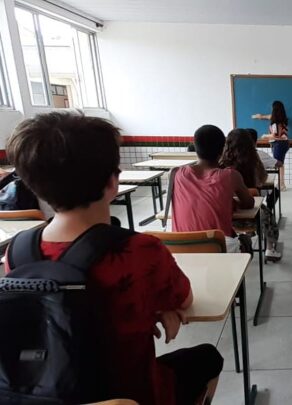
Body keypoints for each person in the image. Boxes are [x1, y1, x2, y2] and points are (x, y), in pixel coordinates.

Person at [5, 111, 223, 404]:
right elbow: (184, 299)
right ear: (113, 183)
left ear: (34, 185)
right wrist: (157, 308)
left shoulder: (17, 252)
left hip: (44, 393)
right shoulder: (138, 251)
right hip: (133, 394)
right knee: (208, 357)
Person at [172, 125, 255, 253]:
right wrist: (233, 202)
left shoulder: (179, 174)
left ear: (195, 148)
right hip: (216, 249)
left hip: (180, 249)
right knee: (246, 242)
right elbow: (249, 203)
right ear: (222, 150)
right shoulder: (230, 175)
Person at [221, 128, 281, 261]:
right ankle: (270, 248)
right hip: (251, 211)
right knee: (269, 218)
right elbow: (262, 180)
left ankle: (244, 238)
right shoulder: (254, 159)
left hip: (226, 215)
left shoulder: (222, 162)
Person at [253, 100, 289, 191]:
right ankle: (281, 184)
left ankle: (282, 185)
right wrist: (261, 117)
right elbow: (269, 116)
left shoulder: (275, 123)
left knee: (278, 164)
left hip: (279, 144)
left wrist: (265, 136)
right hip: (283, 143)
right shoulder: (282, 119)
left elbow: (275, 135)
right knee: (280, 163)